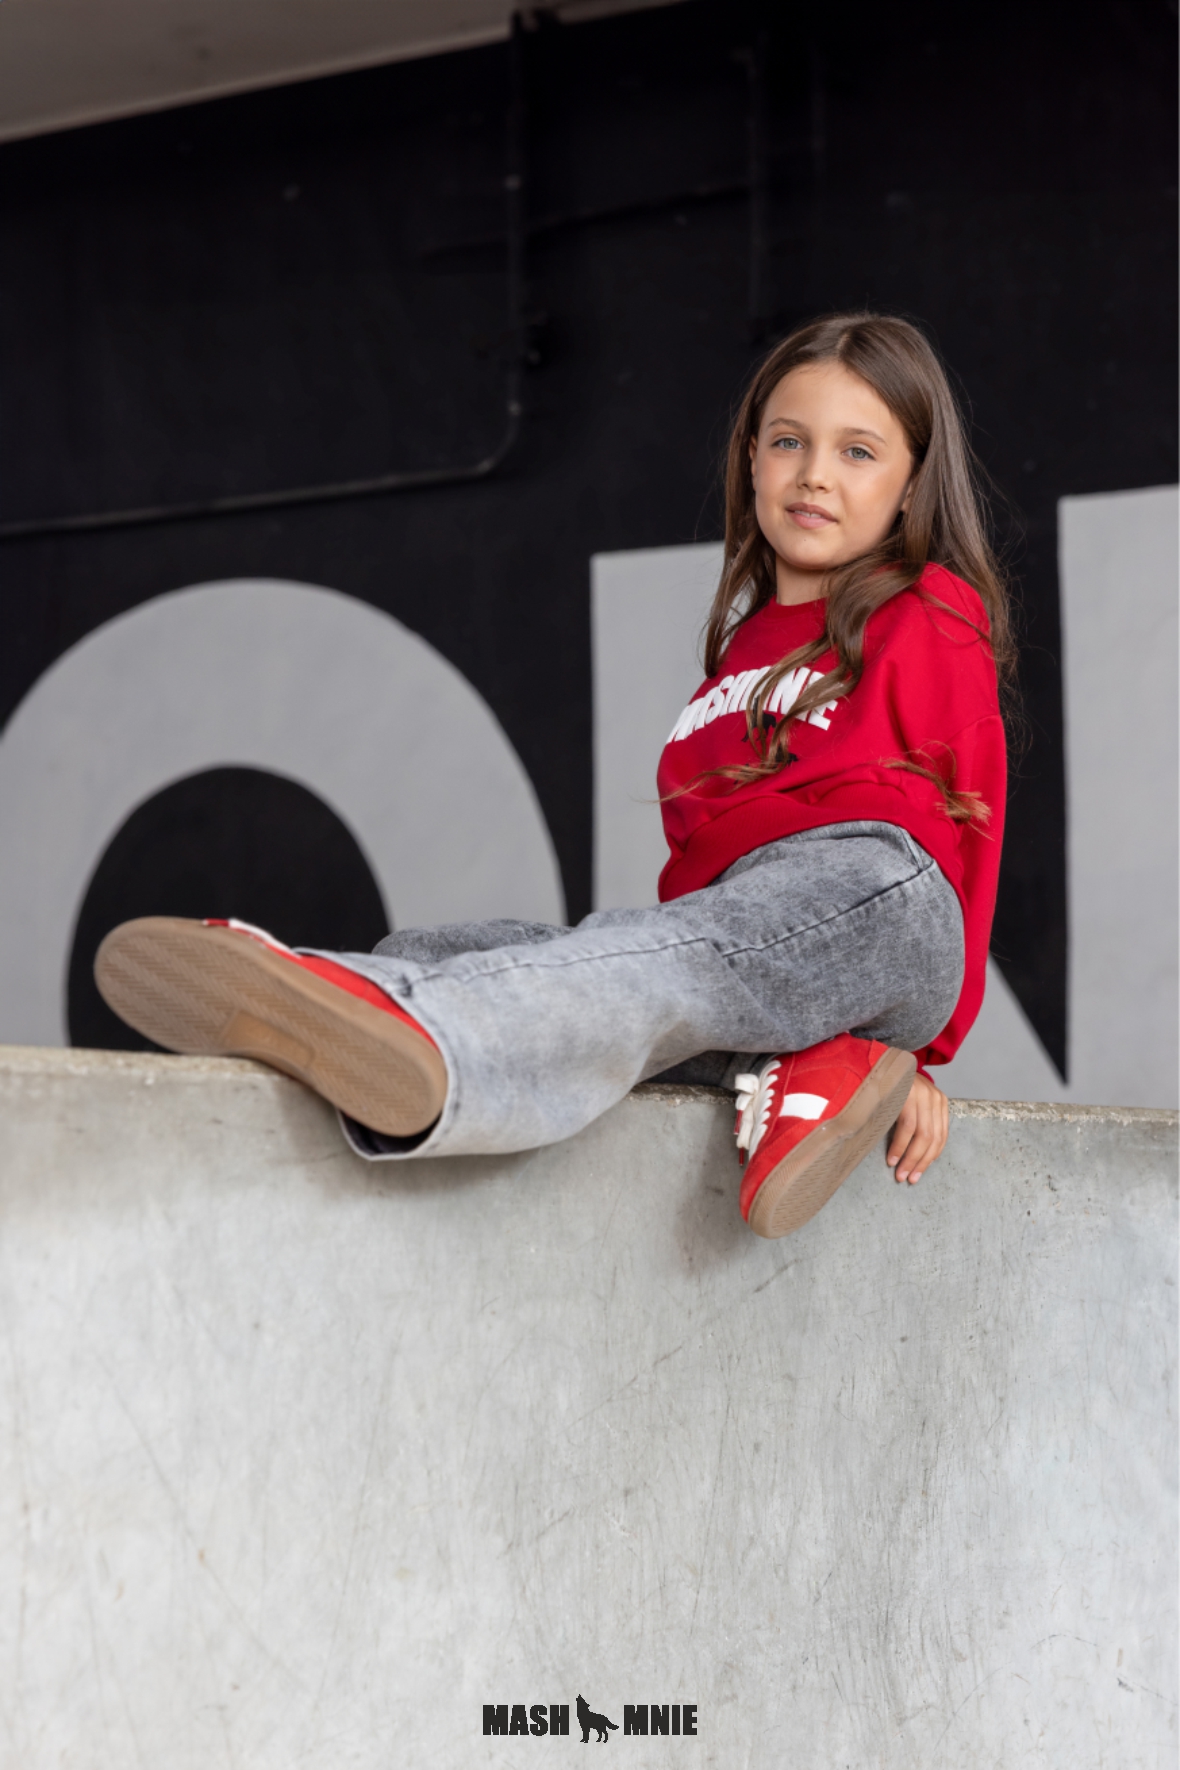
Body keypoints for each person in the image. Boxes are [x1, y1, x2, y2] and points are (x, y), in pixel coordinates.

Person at [96, 312, 1012, 1240]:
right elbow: (707, 919)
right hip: (743, 933)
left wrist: (923, 1047)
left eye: (858, 452)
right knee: (461, 948)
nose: (814, 473)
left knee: (663, 962)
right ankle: (338, 991)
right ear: (749, 460)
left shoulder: (927, 607)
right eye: (788, 441)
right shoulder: (733, 665)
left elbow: (974, 829)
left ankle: (427, 1031)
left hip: (877, 894)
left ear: (911, 486)